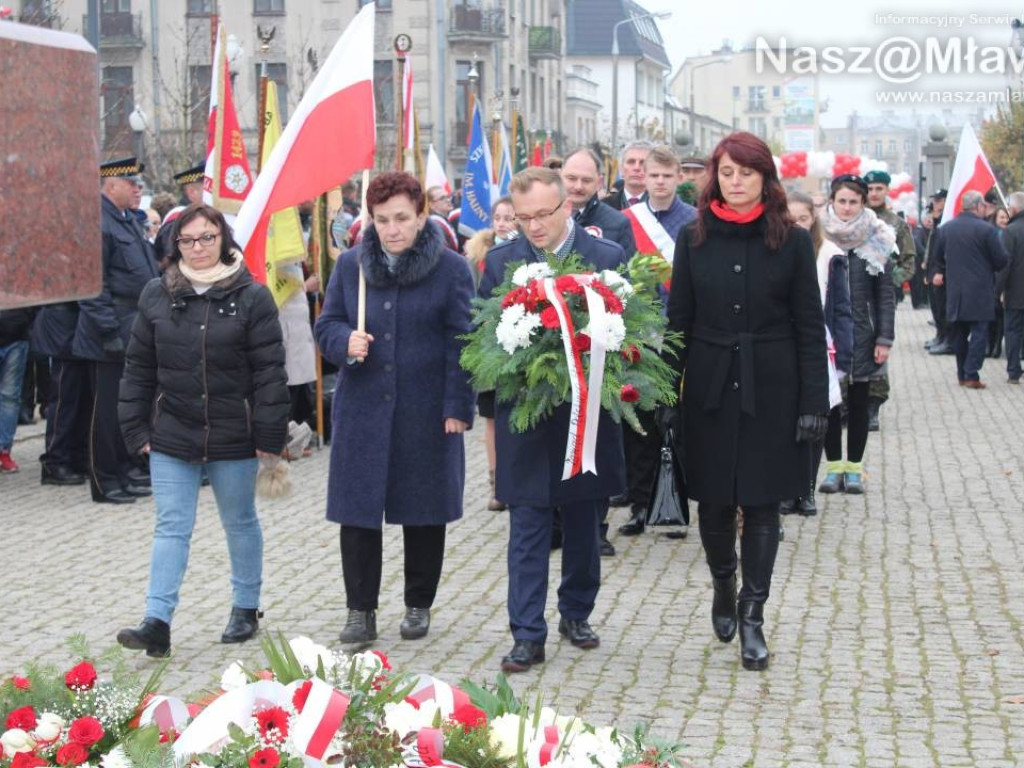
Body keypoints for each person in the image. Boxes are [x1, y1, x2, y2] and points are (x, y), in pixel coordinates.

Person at [666, 132, 828, 671]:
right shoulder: (693, 238)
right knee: (712, 501)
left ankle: (753, 613)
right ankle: (722, 583)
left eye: (746, 174)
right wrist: (667, 392)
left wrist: (813, 402)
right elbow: (678, 323)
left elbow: (810, 325)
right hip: (710, 383)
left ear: (765, 178)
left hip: (773, 386)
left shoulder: (793, 240)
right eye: (727, 173)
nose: (735, 183)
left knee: (761, 504)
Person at [116, 203, 290, 658]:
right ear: (176, 245)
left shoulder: (252, 296)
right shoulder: (156, 294)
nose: (197, 248)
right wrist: (135, 428)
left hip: (234, 433)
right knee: (172, 525)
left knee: (239, 521)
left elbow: (270, 371)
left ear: (223, 240)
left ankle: (246, 606)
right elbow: (138, 367)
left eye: (207, 238)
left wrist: (269, 436)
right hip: (172, 430)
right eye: (188, 240)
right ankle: (157, 620)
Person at [315, 172, 475, 649]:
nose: (392, 229)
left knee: (424, 511)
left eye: (402, 218)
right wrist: (346, 341)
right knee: (358, 513)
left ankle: (418, 602)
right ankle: (359, 611)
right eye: (382, 220)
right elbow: (326, 325)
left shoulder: (451, 269)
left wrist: (457, 405)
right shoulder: (350, 266)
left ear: (422, 215)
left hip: (425, 409)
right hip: (363, 409)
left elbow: (461, 341)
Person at [478, 167, 627, 673]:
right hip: (525, 417)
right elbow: (483, 340)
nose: (534, 227)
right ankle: (527, 633)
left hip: (588, 416)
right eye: (524, 218)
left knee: (585, 521)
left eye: (543, 214)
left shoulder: (605, 258)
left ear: (567, 205)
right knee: (528, 525)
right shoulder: (501, 263)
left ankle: (576, 612)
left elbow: (630, 333)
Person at [618, 145, 698, 537]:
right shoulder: (626, 221)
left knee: (678, 425)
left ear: (679, 177)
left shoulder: (696, 222)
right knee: (639, 425)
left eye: (668, 175)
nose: (661, 182)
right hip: (639, 336)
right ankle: (639, 505)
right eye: (654, 175)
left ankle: (675, 507)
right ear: (642, 177)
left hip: (681, 336)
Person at [560, 146, 637, 553]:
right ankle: (558, 521)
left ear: (599, 184)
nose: (577, 187)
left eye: (585, 180)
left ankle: (598, 525)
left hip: (597, 344)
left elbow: (626, 279)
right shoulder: (547, 216)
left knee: (597, 436)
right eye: (571, 178)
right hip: (553, 343)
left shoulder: (615, 223)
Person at [76, 157, 159, 504]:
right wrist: (109, 331)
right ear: (110, 185)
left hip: (132, 328)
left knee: (127, 409)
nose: (138, 189)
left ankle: (123, 471)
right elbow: (93, 285)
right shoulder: (99, 222)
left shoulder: (125, 221)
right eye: (131, 183)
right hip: (107, 334)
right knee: (104, 414)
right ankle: (103, 479)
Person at [819, 174, 896, 494]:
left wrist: (885, 338)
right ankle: (833, 467)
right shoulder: (819, 235)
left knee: (861, 400)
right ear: (832, 202)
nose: (847, 208)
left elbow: (886, 295)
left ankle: (854, 468)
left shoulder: (878, 237)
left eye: (854, 202)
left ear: (863, 203)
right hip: (829, 331)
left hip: (864, 331)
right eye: (842, 201)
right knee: (831, 401)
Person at [781, 192, 853, 517]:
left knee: (816, 420)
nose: (796, 224)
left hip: (820, 347)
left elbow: (841, 308)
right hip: (782, 345)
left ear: (813, 220)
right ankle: (787, 488)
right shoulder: (773, 248)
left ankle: (807, 489)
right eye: (790, 218)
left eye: (803, 218)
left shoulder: (829, 254)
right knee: (785, 422)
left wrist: (845, 355)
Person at [465, 196, 518, 512]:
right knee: (492, 419)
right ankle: (497, 484)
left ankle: (516, 479)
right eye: (497, 217)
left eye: (509, 217)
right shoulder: (476, 258)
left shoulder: (525, 254)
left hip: (516, 346)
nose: (502, 223)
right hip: (487, 349)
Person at [932, 190, 1009, 389]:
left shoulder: (946, 229)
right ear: (977, 206)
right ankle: (971, 374)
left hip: (955, 290)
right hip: (980, 290)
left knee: (959, 334)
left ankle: (962, 374)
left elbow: (938, 257)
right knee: (979, 332)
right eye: (983, 205)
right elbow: (1001, 260)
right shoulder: (987, 230)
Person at [864, 170, 916, 431]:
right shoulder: (853, 218)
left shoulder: (895, 223)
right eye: (870, 188)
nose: (874, 193)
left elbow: (909, 260)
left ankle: (873, 403)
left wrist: (891, 280)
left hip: (881, 297)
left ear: (886, 191)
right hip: (852, 293)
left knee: (878, 346)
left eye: (879, 189)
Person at [0, 308, 35, 473]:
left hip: (16, 335)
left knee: (10, 399)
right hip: (17, 331)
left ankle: (4, 451)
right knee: (9, 399)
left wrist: (25, 319)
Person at [998, 192, 1024, 384]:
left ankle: (1014, 371)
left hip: (1016, 291)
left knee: (1013, 330)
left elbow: (1004, 264)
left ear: (1013, 209)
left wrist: (997, 290)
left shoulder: (1010, 231)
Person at [924, 189, 952, 355]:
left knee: (943, 308)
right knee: (936, 307)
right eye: (935, 200)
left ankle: (947, 339)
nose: (936, 203)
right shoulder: (936, 220)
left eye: (939, 200)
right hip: (933, 267)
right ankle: (940, 336)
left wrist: (939, 270)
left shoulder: (947, 220)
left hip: (941, 271)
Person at [987, 206, 1010, 358]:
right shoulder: (990, 234)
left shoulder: (1010, 234)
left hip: (1006, 279)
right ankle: (991, 344)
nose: (1004, 220)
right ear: (995, 218)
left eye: (1006, 217)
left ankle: (998, 346)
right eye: (1001, 217)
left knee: (1002, 316)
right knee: (992, 315)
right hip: (991, 279)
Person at [604, 140, 653, 210]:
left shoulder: (664, 206)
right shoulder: (604, 207)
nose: (636, 168)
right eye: (631, 162)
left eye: (643, 163)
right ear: (621, 168)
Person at [426, 185, 459, 252]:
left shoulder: (443, 222)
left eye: (448, 196)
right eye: (442, 198)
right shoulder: (435, 226)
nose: (448, 200)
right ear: (431, 205)